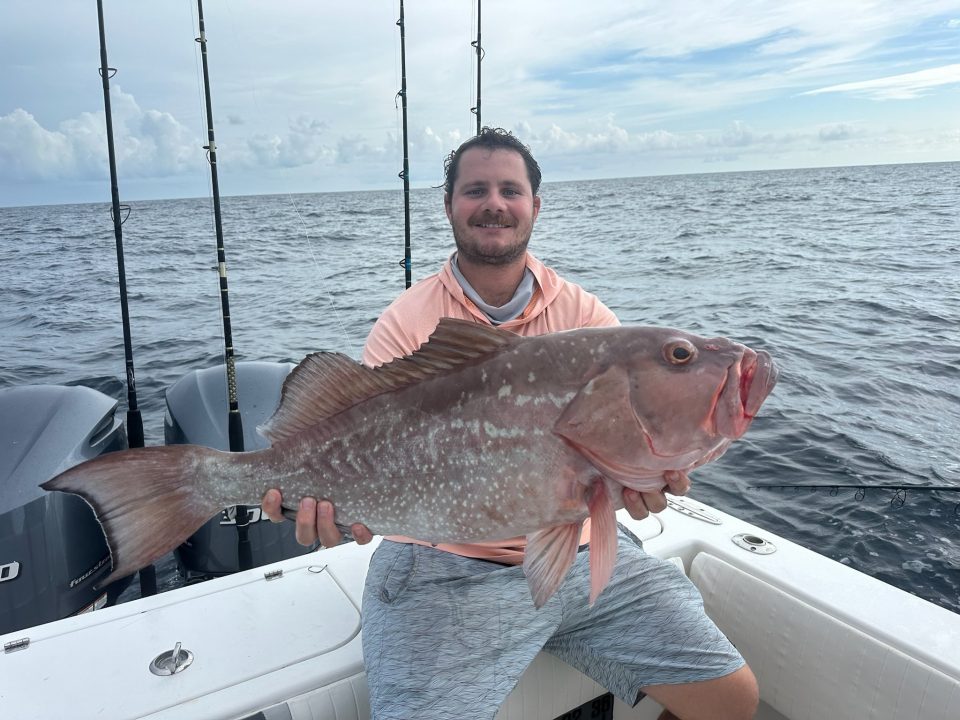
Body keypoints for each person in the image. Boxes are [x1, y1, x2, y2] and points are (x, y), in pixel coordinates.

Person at [261, 127, 759, 720]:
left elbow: (612, 466)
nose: (494, 203)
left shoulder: (588, 316)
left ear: (535, 206)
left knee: (732, 700)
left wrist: (643, 486)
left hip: (580, 552)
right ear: (449, 207)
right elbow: (368, 451)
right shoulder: (404, 322)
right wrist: (330, 506)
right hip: (441, 568)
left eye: (510, 190)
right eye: (475, 190)